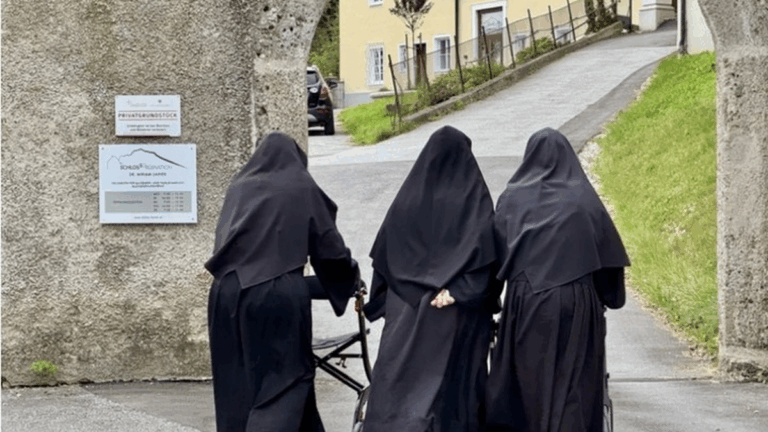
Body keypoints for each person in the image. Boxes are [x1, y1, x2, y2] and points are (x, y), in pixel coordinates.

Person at [204, 132, 360, 432]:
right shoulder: (299, 184)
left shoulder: (239, 187)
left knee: (237, 387)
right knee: (283, 386)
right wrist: (347, 275)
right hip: (273, 297)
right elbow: (328, 248)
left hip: (224, 295)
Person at [485, 128, 630, 432]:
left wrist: (490, 299)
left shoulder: (512, 197)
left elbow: (494, 255)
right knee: (572, 387)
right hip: (577, 302)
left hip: (528, 302)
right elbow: (609, 261)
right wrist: (607, 296)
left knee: (528, 386)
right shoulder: (584, 199)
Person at [362, 125, 502, 432]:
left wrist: (395, 298)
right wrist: (459, 292)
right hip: (457, 315)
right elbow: (488, 260)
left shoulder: (407, 200)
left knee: (400, 392)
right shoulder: (475, 200)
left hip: (407, 312)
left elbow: (385, 256)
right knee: (454, 396)